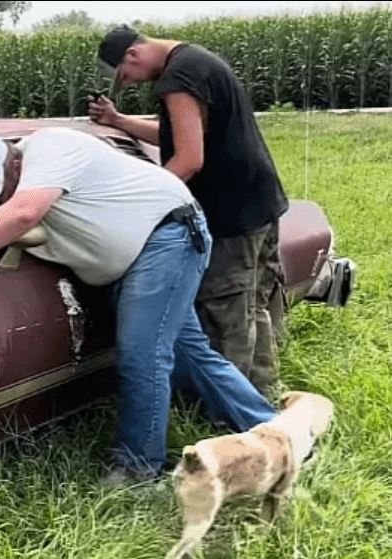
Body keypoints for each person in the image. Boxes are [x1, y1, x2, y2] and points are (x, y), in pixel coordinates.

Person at [0, 127, 278, 484]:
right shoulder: (21, 179)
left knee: (143, 356)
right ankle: (273, 430)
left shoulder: (52, 148)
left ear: (13, 163)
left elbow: (22, 215)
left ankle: (138, 470)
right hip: (137, 255)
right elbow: (3, 221)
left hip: (166, 237)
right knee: (190, 354)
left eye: (0, 189)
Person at [89, 24, 289, 400]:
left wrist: (144, 203)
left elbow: (189, 158)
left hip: (229, 215)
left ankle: (229, 419)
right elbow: (178, 134)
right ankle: (264, 396)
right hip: (259, 202)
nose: (128, 83)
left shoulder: (177, 79)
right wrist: (117, 121)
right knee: (253, 305)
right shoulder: (196, 60)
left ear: (132, 55)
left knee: (224, 315)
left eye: (124, 76)